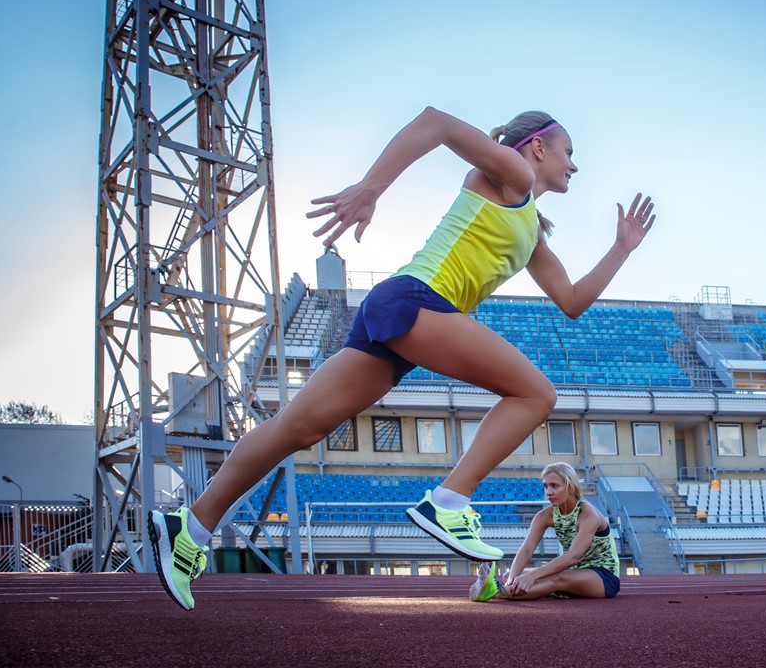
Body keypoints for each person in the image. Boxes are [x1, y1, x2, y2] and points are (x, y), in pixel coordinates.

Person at [147, 107, 655, 610]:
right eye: (569, 152)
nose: (574, 165)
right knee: (536, 393)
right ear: (539, 147)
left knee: (295, 429)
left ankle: (190, 526)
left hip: (397, 314)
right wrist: (370, 188)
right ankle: (450, 501)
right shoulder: (514, 174)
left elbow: (571, 301)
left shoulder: (531, 227)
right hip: (416, 301)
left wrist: (622, 248)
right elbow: (435, 122)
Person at [469, 462, 620, 602]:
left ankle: (497, 592)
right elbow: (527, 549)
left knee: (559, 578)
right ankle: (519, 587)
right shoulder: (545, 516)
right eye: (545, 486)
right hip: (574, 571)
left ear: (571, 487)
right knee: (511, 574)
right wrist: (512, 580)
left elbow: (573, 556)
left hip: (603, 576)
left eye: (554, 486)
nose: (548, 492)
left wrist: (533, 576)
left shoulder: (588, 515)